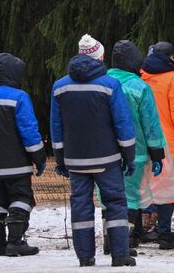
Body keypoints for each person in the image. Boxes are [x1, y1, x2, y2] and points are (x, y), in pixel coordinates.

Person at [51, 35, 138, 267]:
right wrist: (129, 156)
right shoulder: (110, 85)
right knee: (115, 203)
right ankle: (120, 255)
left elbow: (56, 127)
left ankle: (85, 256)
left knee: (81, 205)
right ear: (100, 58)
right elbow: (123, 123)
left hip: (75, 160)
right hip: (107, 159)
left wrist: (60, 160)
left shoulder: (60, 87)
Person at [0, 52, 46, 257]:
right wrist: (39, 158)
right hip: (17, 163)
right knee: (22, 198)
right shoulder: (19, 97)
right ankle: (15, 242)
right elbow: (29, 132)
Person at [108, 41, 168, 252]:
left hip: (105, 152)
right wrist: (157, 154)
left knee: (108, 196)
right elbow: (150, 123)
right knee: (131, 197)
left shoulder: (103, 83)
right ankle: (124, 241)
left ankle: (109, 238)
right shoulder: (140, 87)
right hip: (136, 152)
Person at [139, 41, 174, 249]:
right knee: (167, 188)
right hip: (167, 140)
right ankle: (165, 234)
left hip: (143, 140)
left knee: (143, 185)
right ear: (171, 57)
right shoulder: (172, 77)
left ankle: (140, 230)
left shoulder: (141, 76)